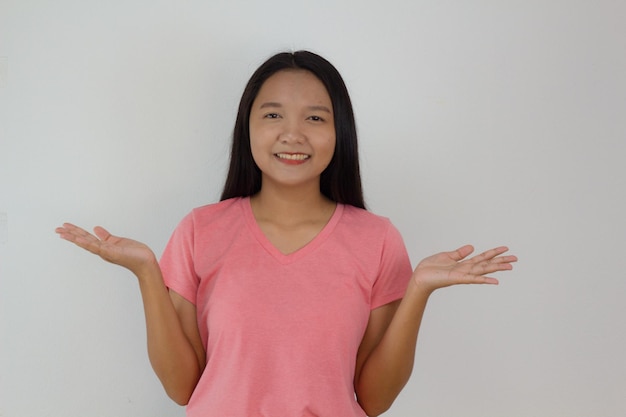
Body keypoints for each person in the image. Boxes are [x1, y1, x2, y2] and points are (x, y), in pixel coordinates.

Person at [56, 50, 517, 417]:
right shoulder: (201, 229)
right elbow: (182, 389)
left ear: (340, 133)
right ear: (248, 127)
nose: (292, 134)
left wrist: (418, 290)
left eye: (315, 118)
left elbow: (373, 400)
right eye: (273, 115)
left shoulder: (376, 239)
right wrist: (146, 274)